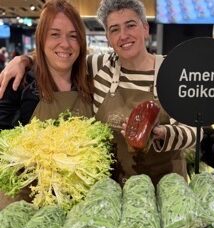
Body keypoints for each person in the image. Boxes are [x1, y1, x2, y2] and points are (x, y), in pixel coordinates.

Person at [0, 0, 201, 186]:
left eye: (130, 25)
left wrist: (163, 134)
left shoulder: (173, 72)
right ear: (108, 38)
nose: (123, 35)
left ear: (145, 28)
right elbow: (62, 56)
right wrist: (24, 60)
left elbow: (196, 130)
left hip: (166, 188)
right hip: (113, 190)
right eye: (114, 29)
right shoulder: (99, 66)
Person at [0, 0, 93, 208]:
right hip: (27, 204)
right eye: (55, 34)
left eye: (73, 36)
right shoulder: (19, 82)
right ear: (41, 38)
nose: (65, 44)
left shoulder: (89, 82)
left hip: (77, 207)